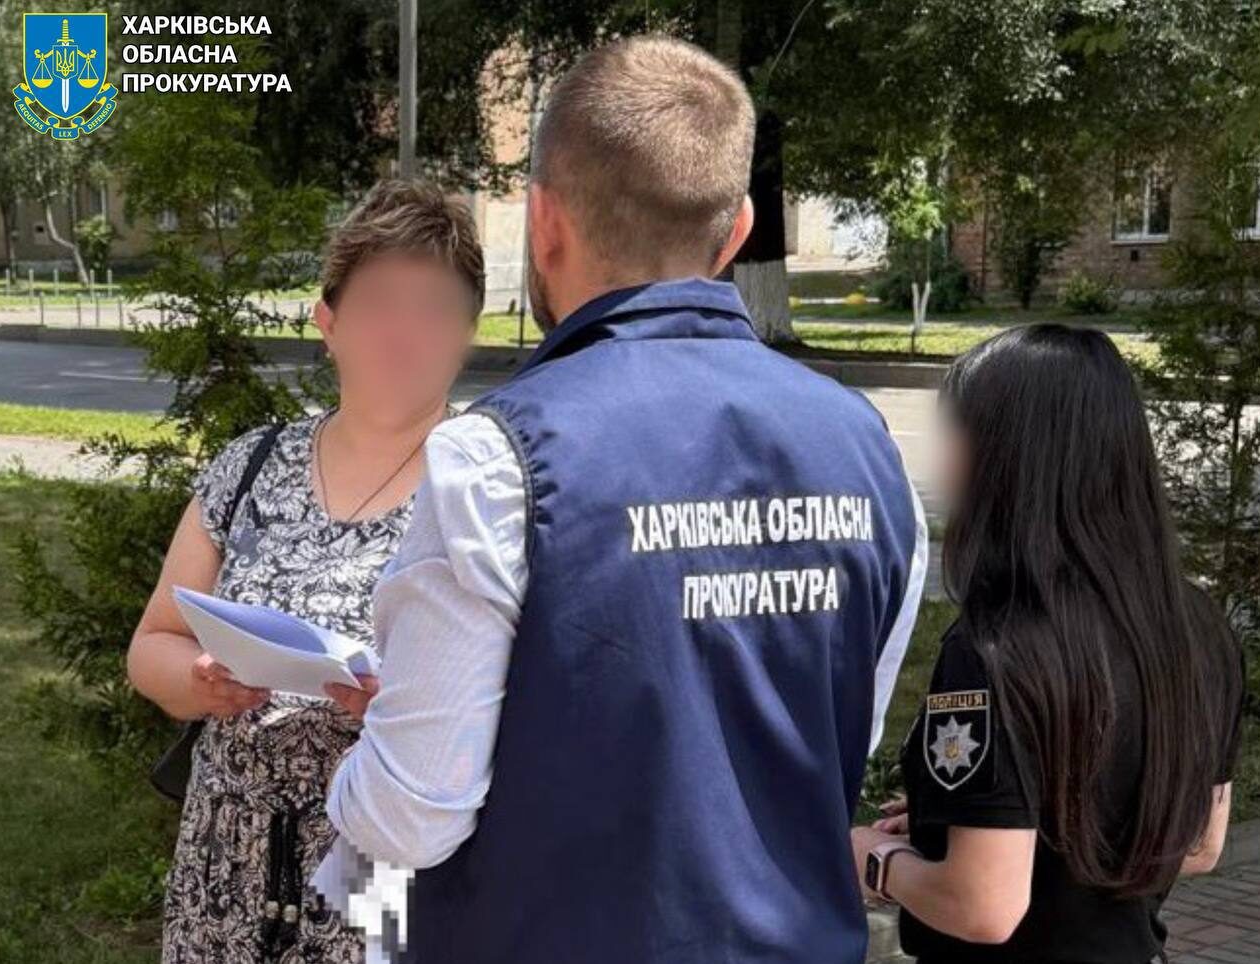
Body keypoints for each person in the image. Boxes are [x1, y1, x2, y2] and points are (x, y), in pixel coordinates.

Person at [314, 35, 928, 964]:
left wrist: (364, 765)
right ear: (736, 231)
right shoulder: (870, 450)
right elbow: (837, 737)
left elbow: (411, 815)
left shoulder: (496, 456)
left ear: (544, 221)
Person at [126, 179, 485, 964]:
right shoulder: (251, 467)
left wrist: (409, 711)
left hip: (378, 863)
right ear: (329, 322)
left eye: (434, 309)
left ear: (468, 332)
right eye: (381, 304)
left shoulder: (484, 492)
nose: (404, 333)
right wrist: (201, 680)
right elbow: (152, 644)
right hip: (225, 857)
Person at [851, 324, 1245, 963]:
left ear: (1008, 458)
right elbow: (1198, 844)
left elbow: (982, 906)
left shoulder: (993, 648)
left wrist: (875, 858)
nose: (942, 460)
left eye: (957, 433)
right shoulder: (1198, 627)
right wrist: (966, 819)